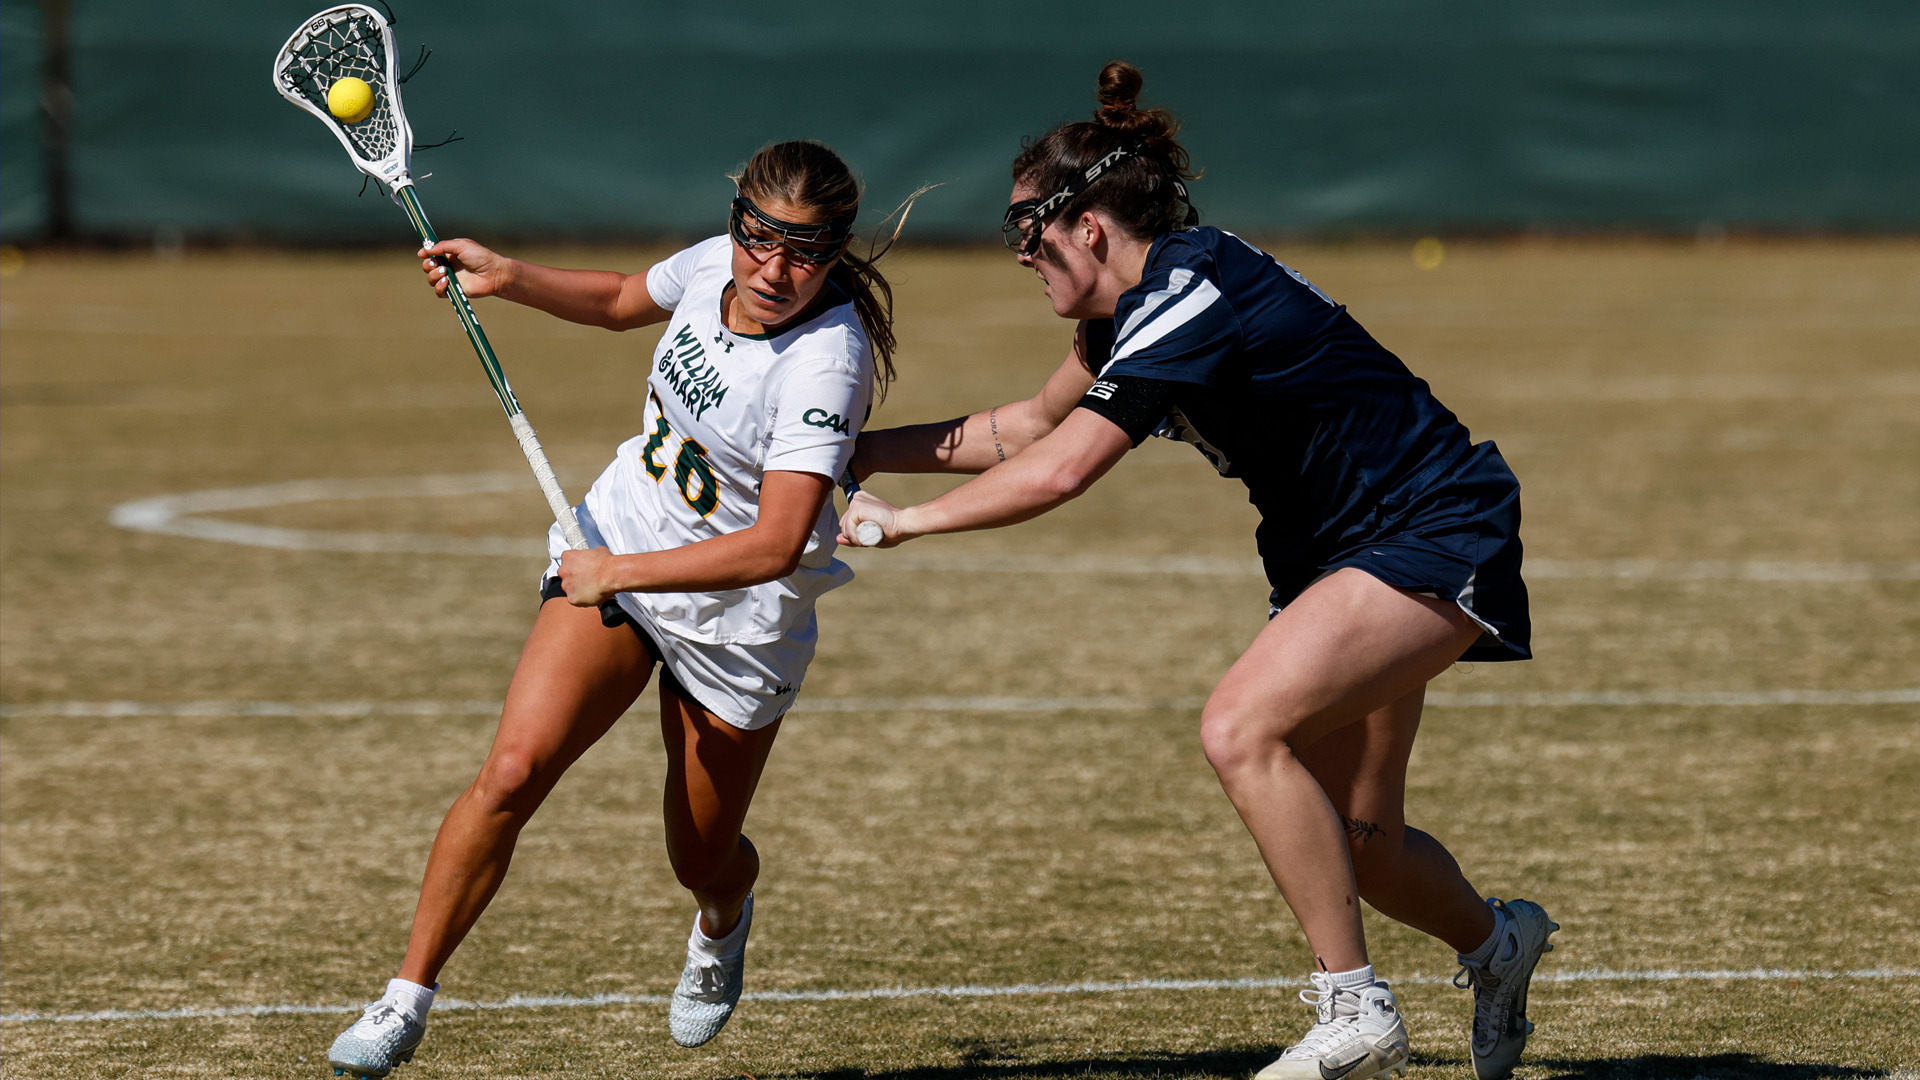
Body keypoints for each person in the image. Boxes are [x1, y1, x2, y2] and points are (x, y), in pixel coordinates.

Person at [841, 63, 1556, 1080]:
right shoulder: (1129, 315)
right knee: (1363, 845)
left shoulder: (1189, 292)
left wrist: (906, 524)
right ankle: (1498, 943)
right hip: (1335, 555)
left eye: (1028, 231)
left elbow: (1065, 469)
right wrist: (852, 454)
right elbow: (1028, 426)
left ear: (1090, 226)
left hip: (1429, 527)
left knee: (1238, 729)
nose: (1021, 255)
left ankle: (1355, 1009)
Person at [328, 140, 908, 1078]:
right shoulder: (713, 265)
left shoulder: (825, 363)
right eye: (760, 239)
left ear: (835, 250)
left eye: (805, 251)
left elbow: (775, 543)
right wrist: (507, 276)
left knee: (700, 857)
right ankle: (406, 997)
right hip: (625, 537)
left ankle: (723, 920)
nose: (774, 270)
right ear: (737, 221)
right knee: (513, 770)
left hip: (735, 620)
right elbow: (619, 299)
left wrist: (620, 572)